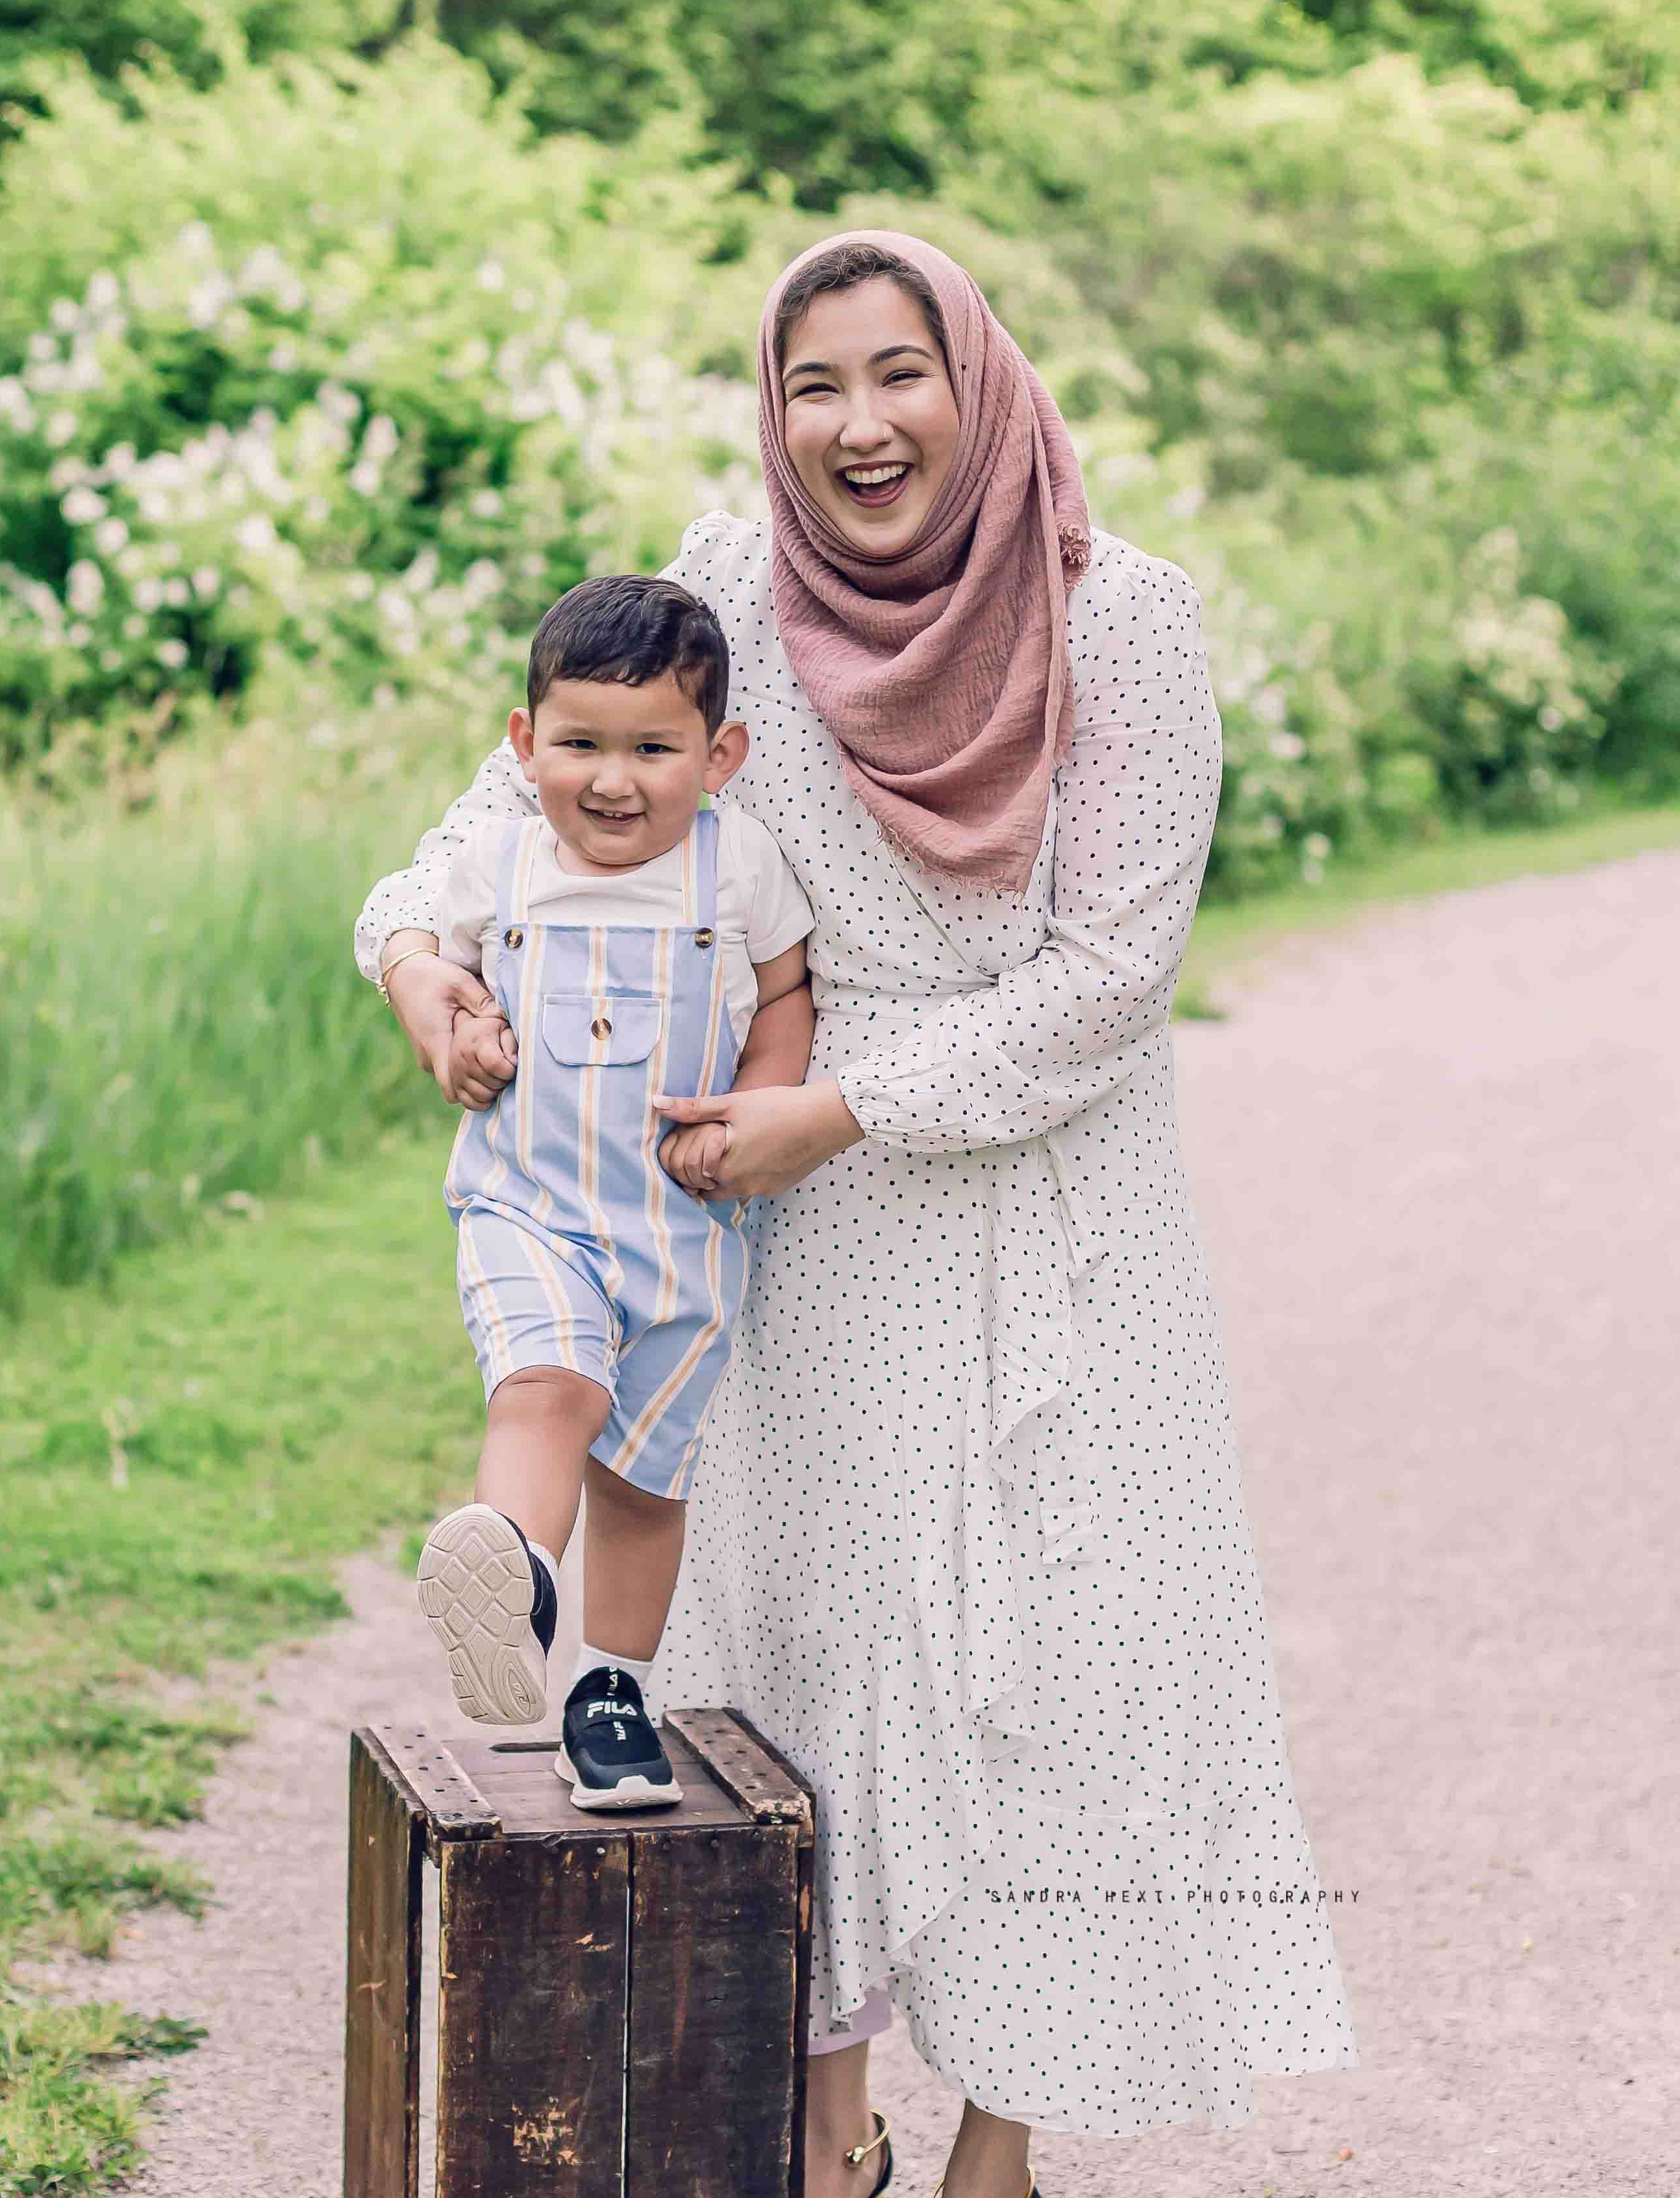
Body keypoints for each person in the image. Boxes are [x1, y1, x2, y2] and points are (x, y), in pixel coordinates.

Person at [357, 233, 1359, 2198]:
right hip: (779, 1231)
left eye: (900, 372)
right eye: (815, 383)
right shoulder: (727, 580)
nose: (859, 423)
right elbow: (510, 821)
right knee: (801, 1664)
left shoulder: (1120, 618)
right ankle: (825, 2130)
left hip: (1049, 1219)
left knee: (1055, 1674)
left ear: (975, 380)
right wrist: (417, 962)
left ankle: (1000, 2143)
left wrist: (848, 1101)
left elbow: (1108, 976)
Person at [400, 573, 816, 1810]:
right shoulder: (497, 860)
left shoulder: (735, 867)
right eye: (579, 743)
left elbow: (786, 998)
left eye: (653, 747)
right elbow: (445, 975)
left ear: (720, 753)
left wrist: (758, 1108)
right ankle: (515, 1576)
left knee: (643, 1482)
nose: (613, 779)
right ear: (525, 743)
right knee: (550, 1385)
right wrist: (466, 1037)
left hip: (683, 1230)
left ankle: (610, 1694)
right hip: (529, 1203)